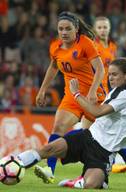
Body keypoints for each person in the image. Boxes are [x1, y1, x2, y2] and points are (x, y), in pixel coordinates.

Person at [15, 58, 126, 189]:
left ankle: (83, 181)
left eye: (114, 74)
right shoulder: (121, 91)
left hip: (103, 152)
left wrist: (76, 94)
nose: (110, 78)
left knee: (91, 184)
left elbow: (96, 112)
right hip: (88, 137)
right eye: (109, 74)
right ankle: (14, 163)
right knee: (48, 149)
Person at [35, 11, 105, 183]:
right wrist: (42, 89)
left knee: (93, 138)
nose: (64, 32)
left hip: (92, 97)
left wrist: (92, 91)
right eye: (60, 29)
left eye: (68, 29)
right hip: (72, 97)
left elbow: (100, 69)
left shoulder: (85, 43)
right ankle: (49, 170)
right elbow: (53, 67)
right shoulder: (55, 47)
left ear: (76, 29)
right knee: (58, 127)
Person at [79, 16, 126, 178]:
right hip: (97, 92)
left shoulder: (113, 46)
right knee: (92, 135)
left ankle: (96, 171)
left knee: (93, 135)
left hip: (112, 94)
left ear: (109, 29)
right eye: (99, 27)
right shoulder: (94, 46)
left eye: (105, 27)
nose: (102, 30)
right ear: (94, 29)